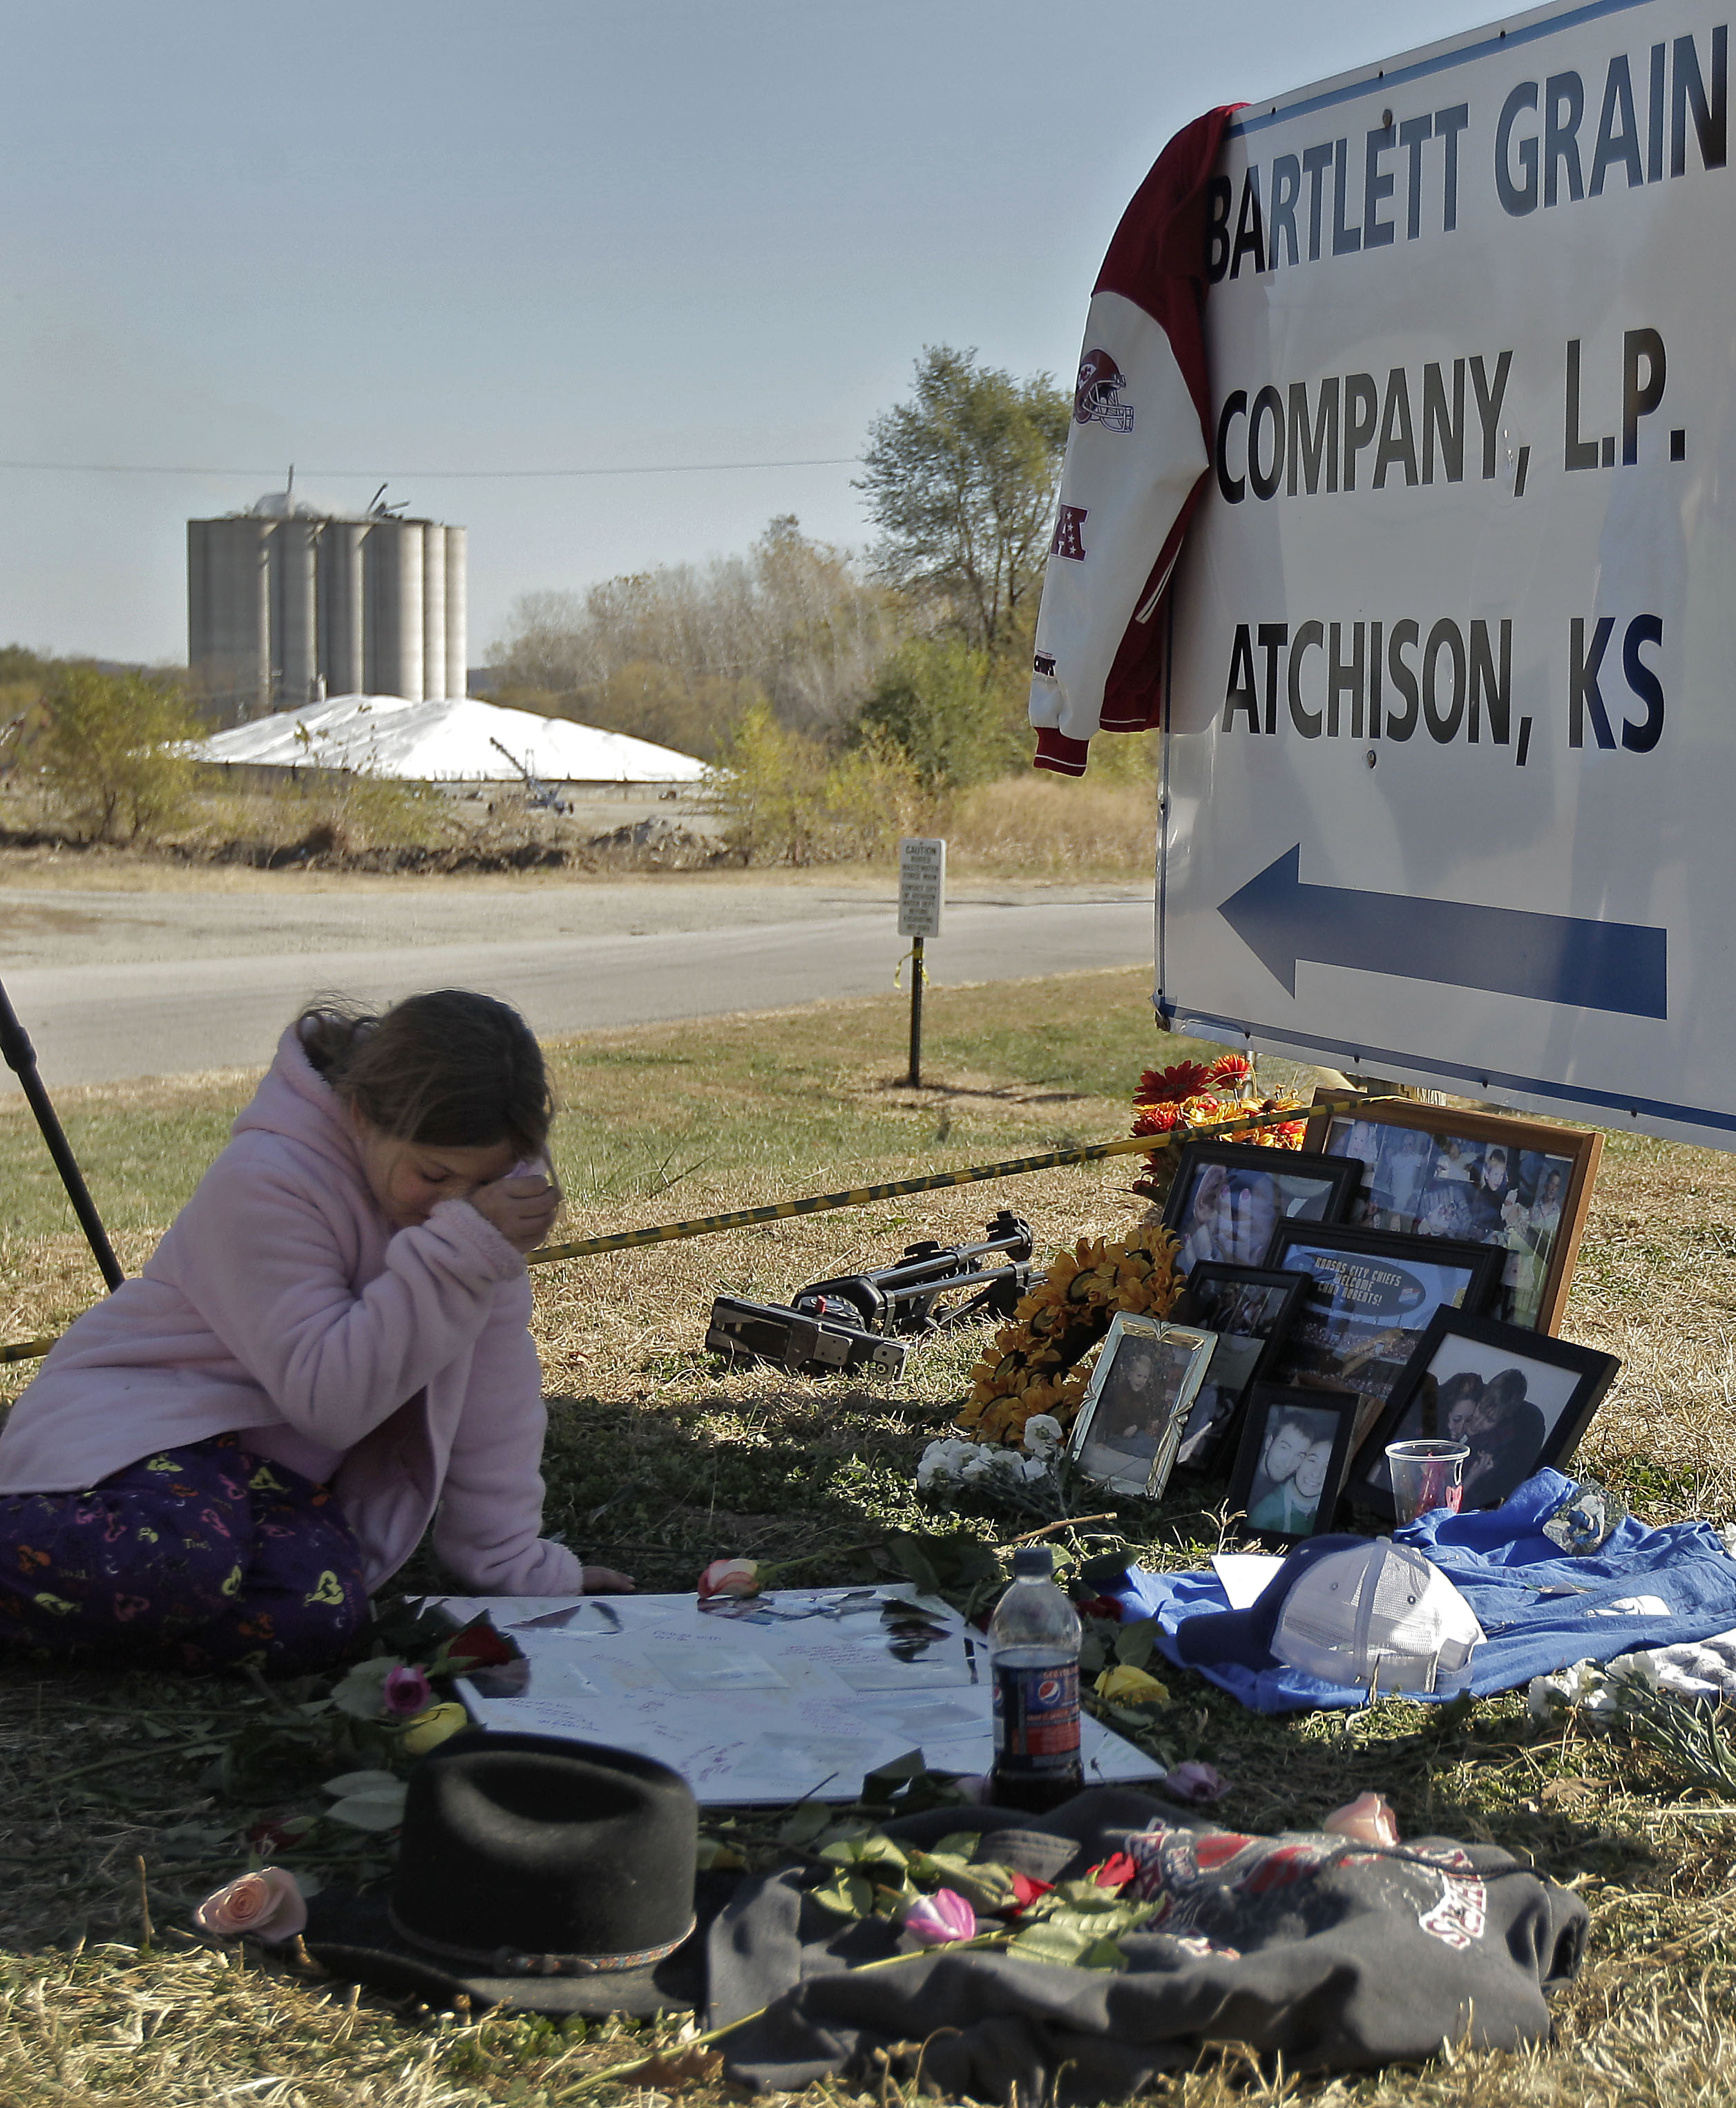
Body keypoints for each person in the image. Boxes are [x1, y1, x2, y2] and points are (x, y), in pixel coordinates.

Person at [0, 990, 631, 1675]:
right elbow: (327, 1402)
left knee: (321, 1614)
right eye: (433, 1174)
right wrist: (461, 1251)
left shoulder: (475, 1222)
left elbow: (493, 1395)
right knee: (180, 1561)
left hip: (260, 1478)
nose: (455, 1202)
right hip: (132, 1435)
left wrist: (514, 1563)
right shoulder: (265, 1181)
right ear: (362, 1116)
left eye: (481, 1181)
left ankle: (91, 1609)